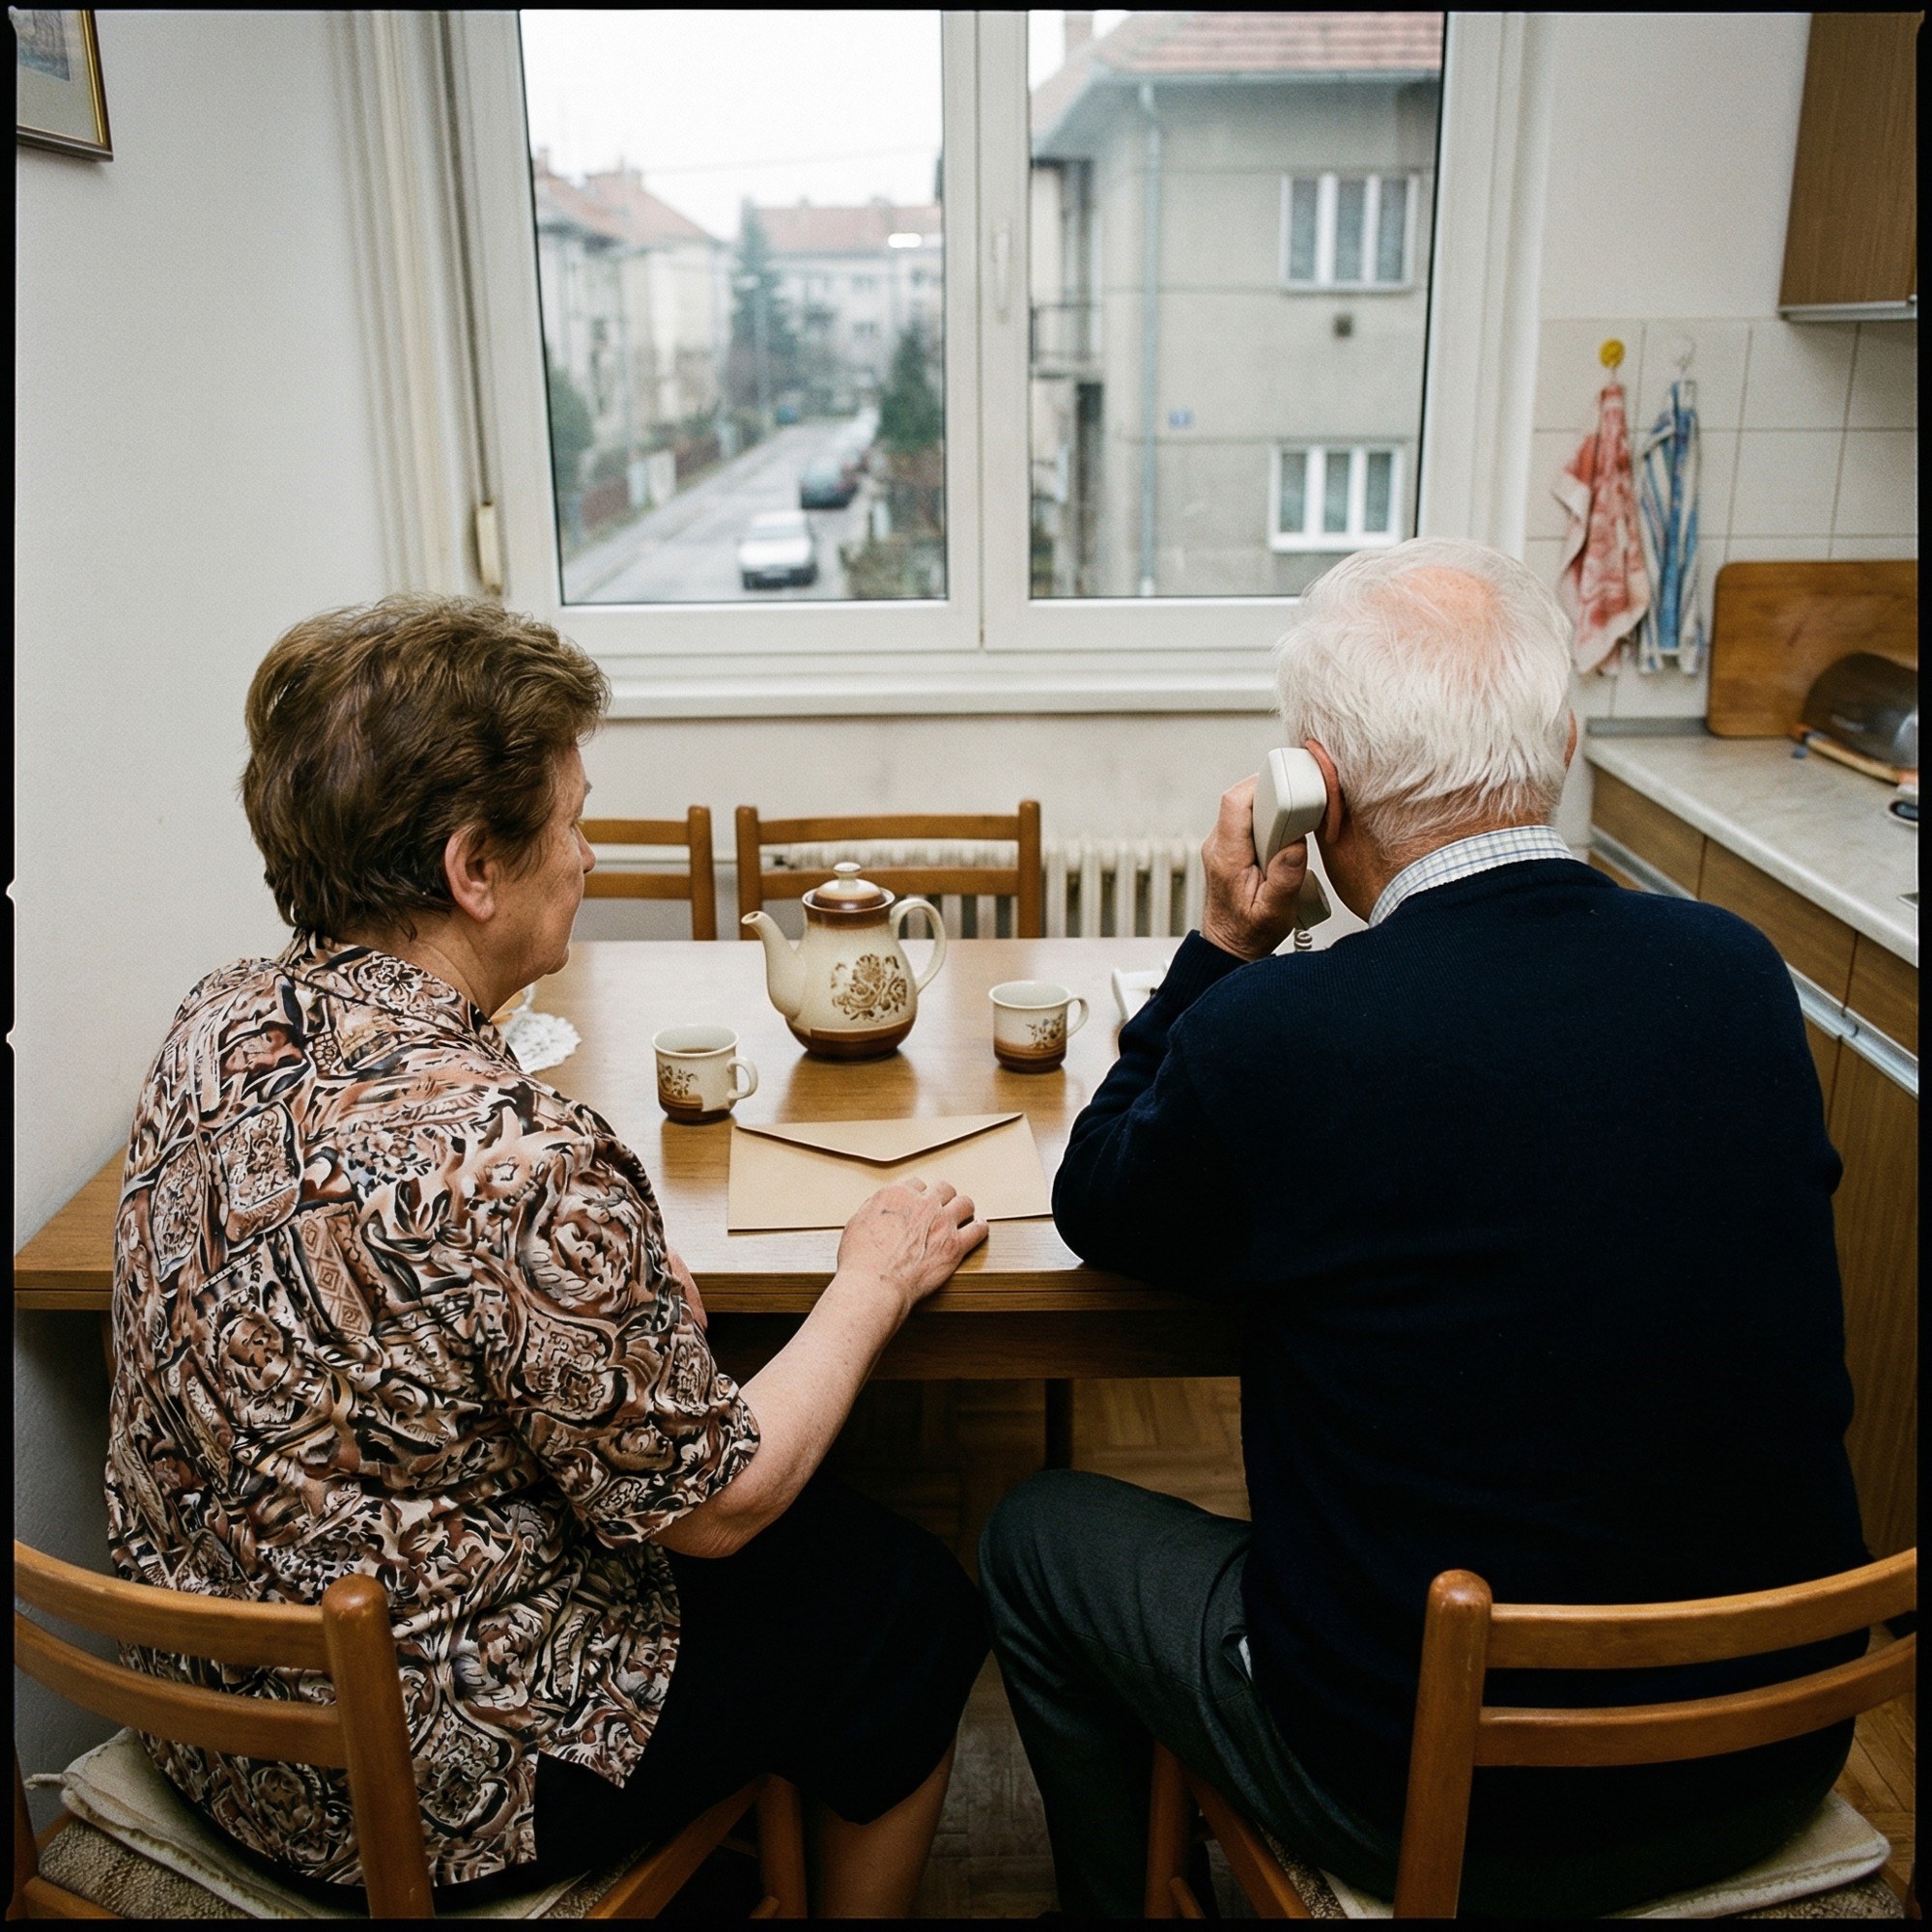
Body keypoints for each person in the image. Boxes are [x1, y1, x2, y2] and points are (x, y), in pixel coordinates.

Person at [980, 538, 1868, 1918]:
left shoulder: (1283, 1036)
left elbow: (1098, 1199)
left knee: (1035, 1536)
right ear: (1562, 744)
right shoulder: (1739, 974)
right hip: (1773, 1745)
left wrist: (1223, 945)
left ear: (1313, 787)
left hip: (1439, 1799)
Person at [104, 594, 989, 1915]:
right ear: (474, 868)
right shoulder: (516, 1156)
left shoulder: (212, 1022)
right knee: (908, 1606)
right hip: (420, 1783)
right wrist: (873, 1279)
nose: (585, 855)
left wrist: (605, 1294)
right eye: (572, 821)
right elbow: (723, 1509)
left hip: (209, 1724)